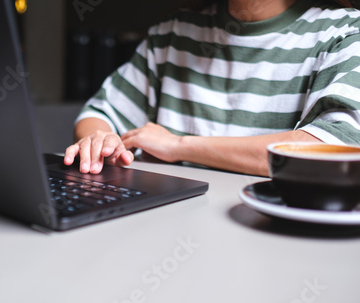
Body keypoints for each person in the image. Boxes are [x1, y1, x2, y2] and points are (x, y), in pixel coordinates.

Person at [64, 0, 360, 176]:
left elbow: (333, 151)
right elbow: (99, 112)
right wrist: (99, 139)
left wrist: (179, 146)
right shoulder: (173, 34)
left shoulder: (344, 33)